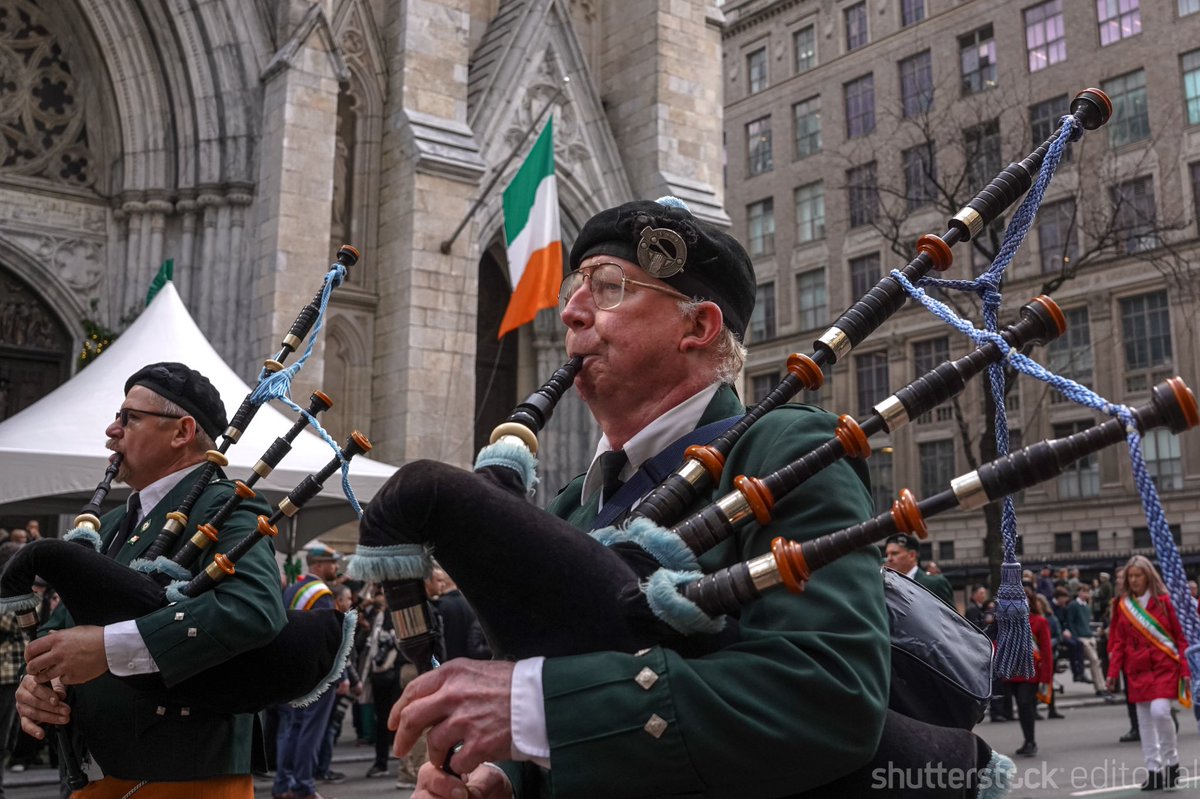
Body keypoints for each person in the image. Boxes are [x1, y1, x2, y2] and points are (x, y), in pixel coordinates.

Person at [390, 199, 890, 798]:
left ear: (698, 327)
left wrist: (532, 708)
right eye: (573, 291)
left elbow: (829, 697)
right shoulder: (575, 505)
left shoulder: (784, 448)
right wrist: (505, 776)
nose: (571, 313)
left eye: (606, 288)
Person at [14, 362, 286, 797]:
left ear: (181, 432)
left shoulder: (228, 507)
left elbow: (252, 608)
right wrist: (42, 681)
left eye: (129, 418)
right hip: (96, 771)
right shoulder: (112, 523)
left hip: (184, 778)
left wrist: (105, 649)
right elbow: (64, 624)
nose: (112, 430)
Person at [1106, 556, 1190, 791]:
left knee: (1160, 711)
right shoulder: (1122, 605)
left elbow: (1181, 639)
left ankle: (1171, 761)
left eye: (1137, 575)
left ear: (1148, 576)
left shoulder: (1165, 602)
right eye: (1130, 576)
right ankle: (1153, 770)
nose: (1133, 580)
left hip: (1164, 666)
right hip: (1136, 669)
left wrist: (1186, 670)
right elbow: (1119, 642)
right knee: (1144, 721)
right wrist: (1112, 673)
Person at [273, 545, 342, 799]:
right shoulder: (320, 592)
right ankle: (302, 784)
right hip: (315, 673)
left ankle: (282, 784)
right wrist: (341, 675)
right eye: (332, 563)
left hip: (289, 668)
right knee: (311, 729)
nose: (336, 568)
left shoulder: (292, 588)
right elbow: (330, 636)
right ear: (319, 566)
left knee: (289, 728)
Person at [1008, 586, 1053, 757]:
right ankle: (1027, 740)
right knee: (1021, 706)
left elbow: (1047, 652)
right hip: (1013, 672)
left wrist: (1046, 677)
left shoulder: (1039, 622)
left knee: (1025, 703)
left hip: (1032, 672)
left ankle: (1031, 741)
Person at [1065, 585, 1112, 699]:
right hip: (1081, 637)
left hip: (1088, 636)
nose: (1086, 594)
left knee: (1096, 662)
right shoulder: (1074, 606)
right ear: (1079, 592)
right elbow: (1070, 621)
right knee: (1094, 660)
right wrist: (1076, 636)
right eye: (1084, 592)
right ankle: (1100, 687)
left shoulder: (1086, 606)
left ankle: (1101, 686)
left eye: (1088, 592)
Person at [884, 533, 954, 606]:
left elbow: (950, 616)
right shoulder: (887, 585)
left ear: (912, 555)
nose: (889, 558)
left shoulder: (934, 584)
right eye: (887, 555)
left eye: (894, 553)